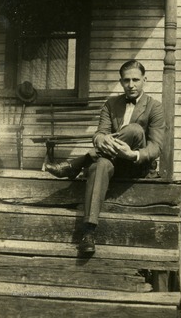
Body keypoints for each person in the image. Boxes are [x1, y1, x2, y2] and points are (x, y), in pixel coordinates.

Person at [45, 59, 165, 255]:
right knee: (98, 165)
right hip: (111, 163)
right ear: (121, 82)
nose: (131, 85)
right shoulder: (111, 104)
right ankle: (89, 233)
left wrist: (133, 154)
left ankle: (75, 164)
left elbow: (156, 147)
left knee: (134, 130)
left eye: (136, 79)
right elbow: (100, 133)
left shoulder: (155, 107)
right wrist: (100, 140)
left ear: (145, 79)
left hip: (136, 165)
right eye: (126, 80)